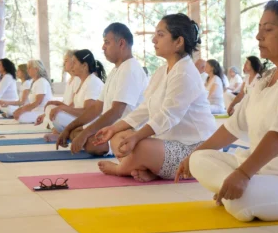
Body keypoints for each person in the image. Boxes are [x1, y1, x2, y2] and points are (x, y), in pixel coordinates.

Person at [176, 0, 278, 222]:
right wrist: (192, 156)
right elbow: (233, 128)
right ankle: (234, 189)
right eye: (258, 29)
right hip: (264, 171)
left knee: (242, 203)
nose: (258, 36)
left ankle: (238, 191)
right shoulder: (266, 79)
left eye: (268, 29)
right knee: (199, 159)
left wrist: (243, 174)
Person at [92, 13, 216, 182]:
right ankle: (147, 168)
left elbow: (168, 116)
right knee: (118, 137)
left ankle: (122, 169)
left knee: (140, 145)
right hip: (167, 143)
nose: (153, 40)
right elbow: (145, 108)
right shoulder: (161, 71)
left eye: (160, 34)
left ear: (178, 42)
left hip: (194, 150)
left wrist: (137, 137)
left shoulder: (185, 73)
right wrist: (114, 129)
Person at [56, 22, 148, 156]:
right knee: (75, 133)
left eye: (107, 42)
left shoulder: (129, 69)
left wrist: (85, 133)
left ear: (121, 43)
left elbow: (116, 112)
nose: (103, 47)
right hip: (110, 128)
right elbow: (96, 108)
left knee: (90, 143)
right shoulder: (116, 70)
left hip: (125, 131)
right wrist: (70, 128)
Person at [43, 49, 105, 142]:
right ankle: (66, 134)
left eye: (74, 63)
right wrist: (59, 104)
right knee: (50, 108)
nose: (72, 66)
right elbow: (74, 106)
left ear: (84, 66)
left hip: (90, 121)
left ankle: (66, 134)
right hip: (79, 118)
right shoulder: (83, 81)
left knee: (57, 114)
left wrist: (62, 108)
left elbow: (88, 112)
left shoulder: (93, 82)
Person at [36, 50, 81, 126]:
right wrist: (45, 114)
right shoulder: (70, 80)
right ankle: (52, 123)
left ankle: (55, 126)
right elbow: (65, 102)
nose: (63, 64)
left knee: (52, 114)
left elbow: (73, 104)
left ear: (73, 62)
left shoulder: (78, 79)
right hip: (65, 111)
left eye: (66, 61)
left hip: (73, 114)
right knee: (49, 109)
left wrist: (59, 110)